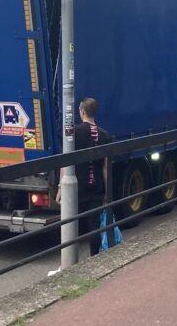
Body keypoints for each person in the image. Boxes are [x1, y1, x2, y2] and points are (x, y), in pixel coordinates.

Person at [57, 98, 113, 256]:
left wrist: (61, 187)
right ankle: (94, 256)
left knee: (71, 222)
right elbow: (105, 167)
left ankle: (70, 258)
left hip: (77, 185)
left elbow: (65, 162)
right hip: (96, 185)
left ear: (82, 112)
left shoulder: (73, 131)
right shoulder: (104, 135)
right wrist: (107, 191)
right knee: (94, 223)